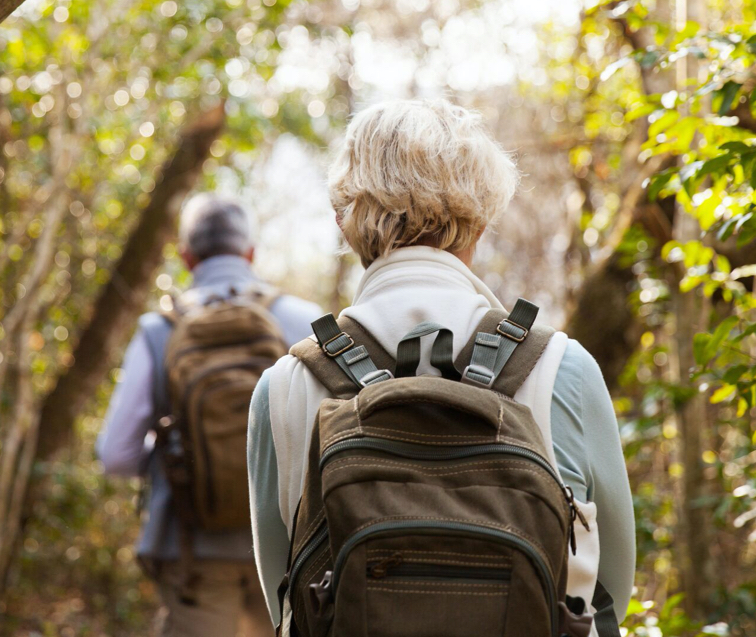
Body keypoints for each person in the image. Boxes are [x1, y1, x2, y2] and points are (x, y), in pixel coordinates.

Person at [247, 99, 635, 635]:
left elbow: (285, 597)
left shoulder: (285, 389)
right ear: (481, 219)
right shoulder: (560, 369)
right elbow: (609, 585)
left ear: (343, 219)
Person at [98, 193, 322, 637]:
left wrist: (176, 460)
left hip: (191, 552)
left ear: (186, 256)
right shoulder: (307, 323)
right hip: (285, 553)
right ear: (251, 253)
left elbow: (115, 456)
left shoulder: (158, 331)